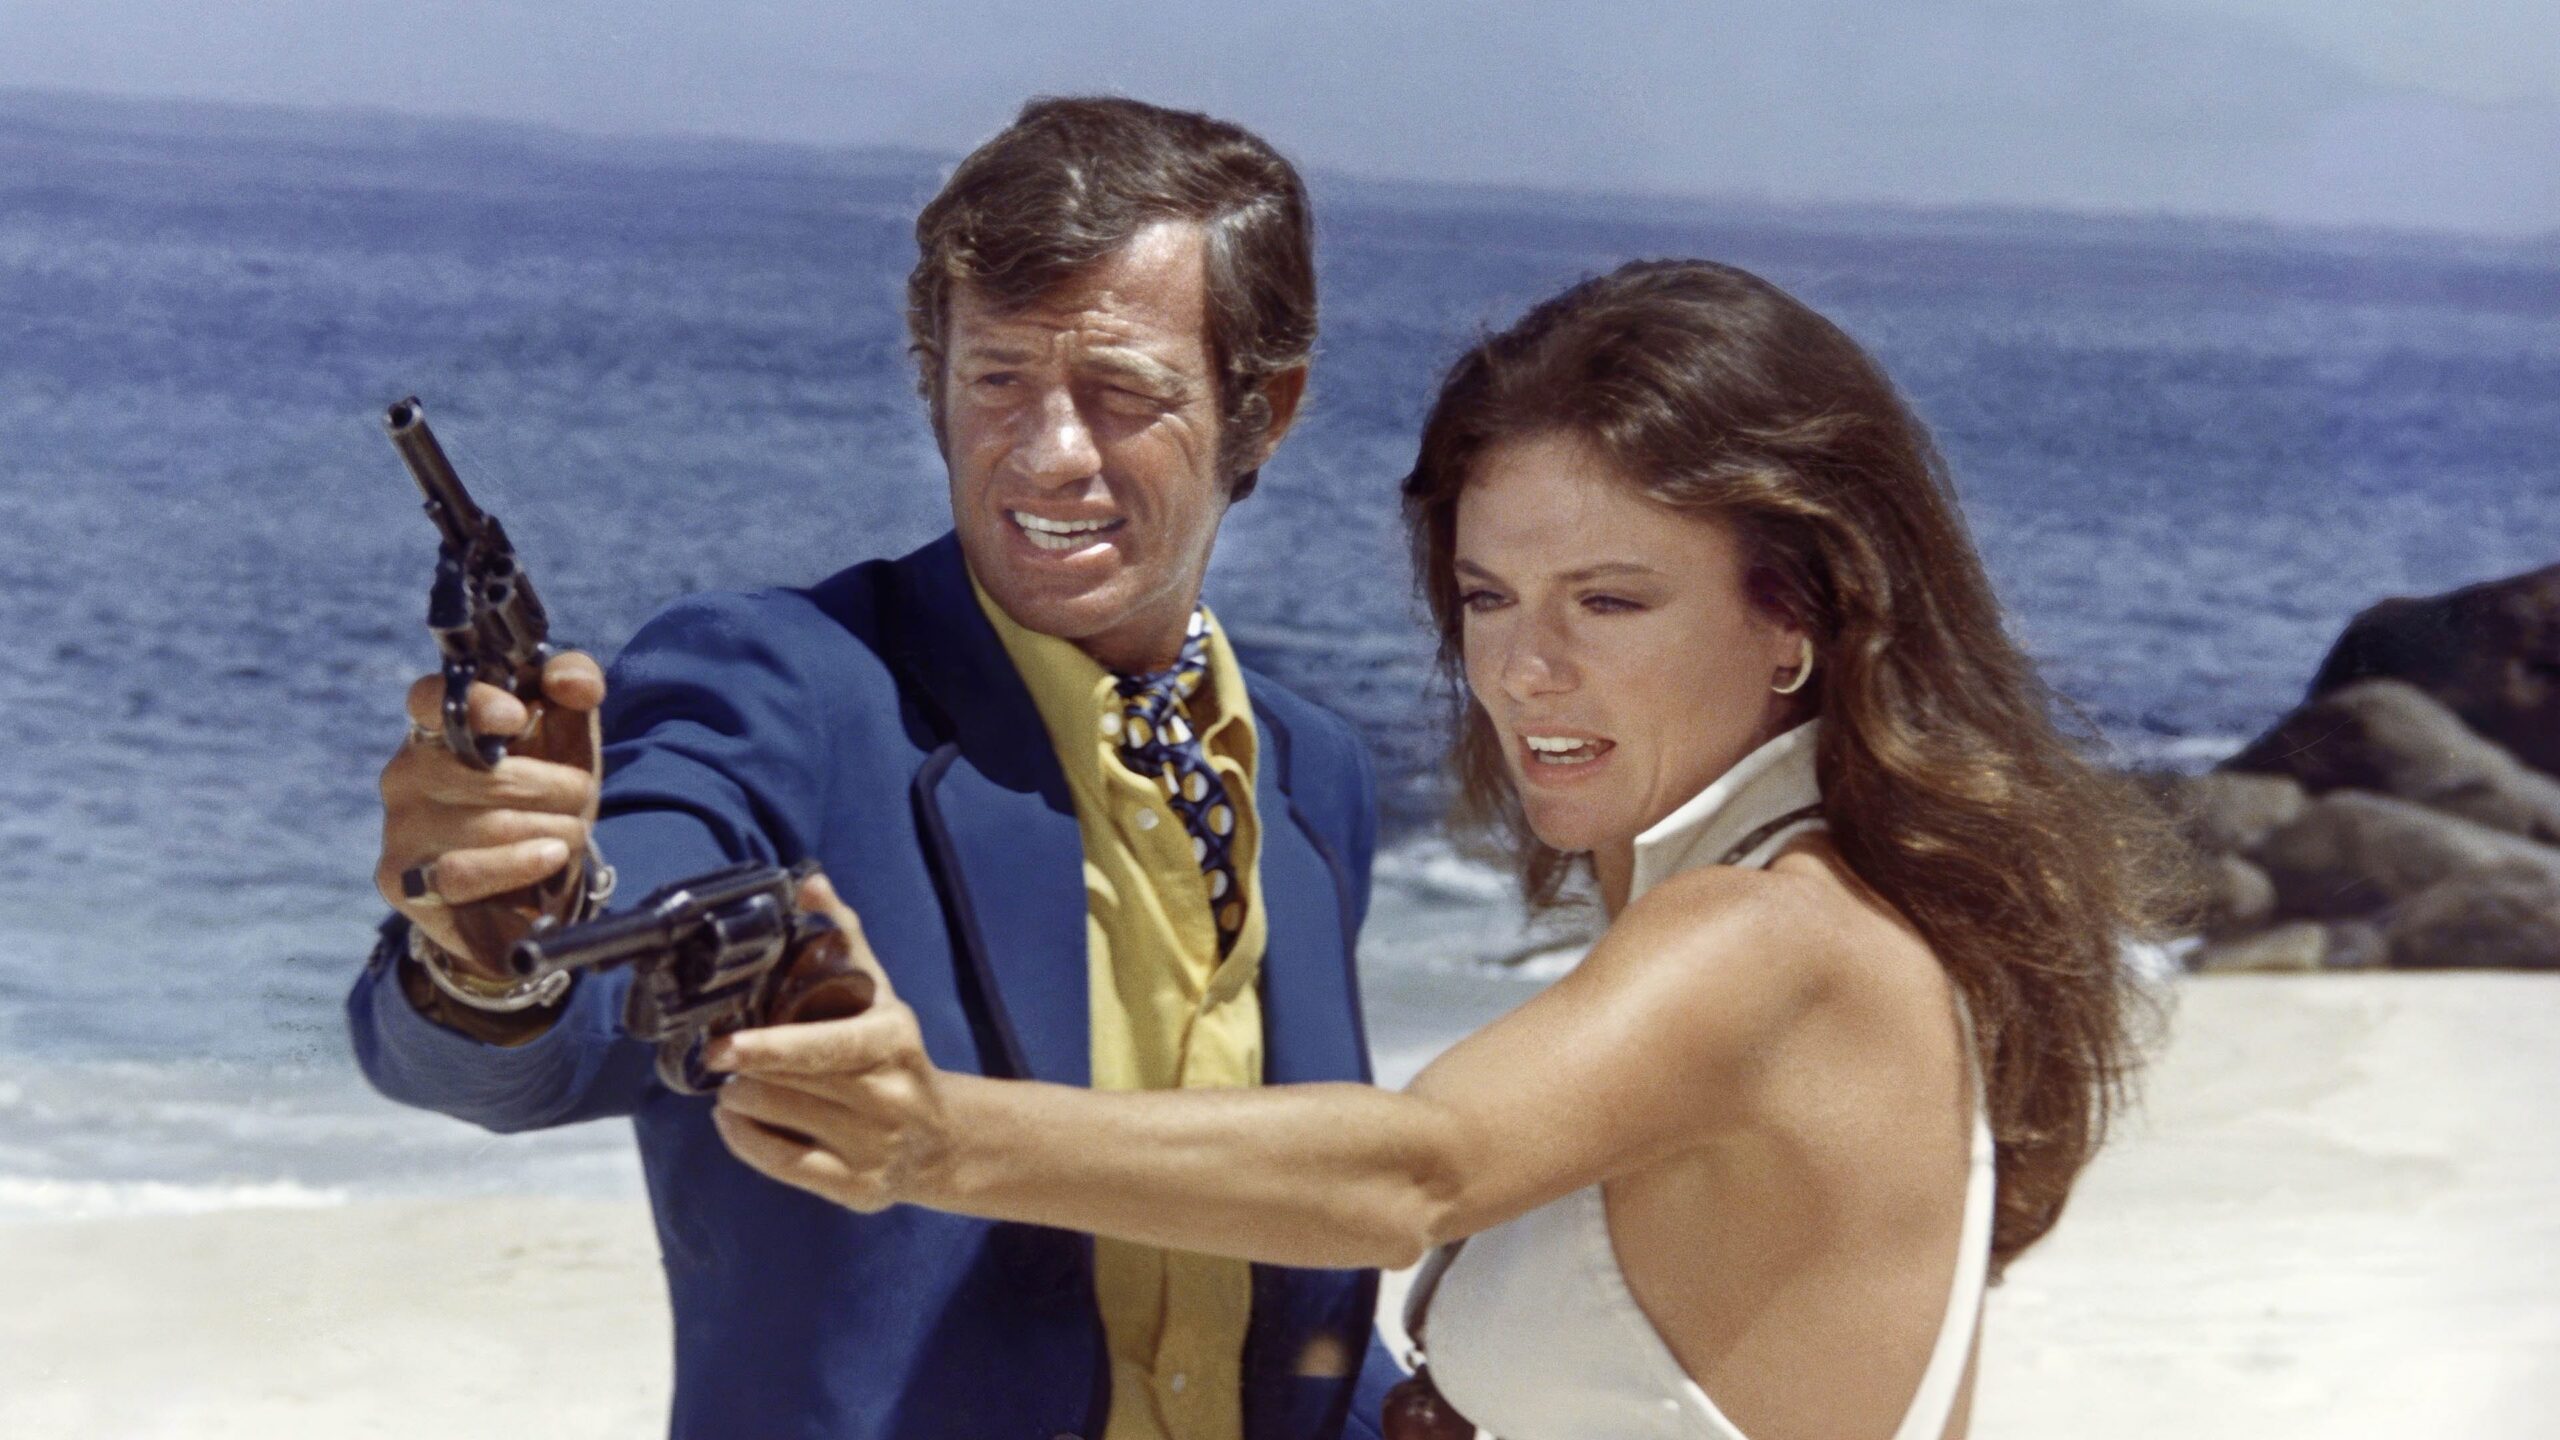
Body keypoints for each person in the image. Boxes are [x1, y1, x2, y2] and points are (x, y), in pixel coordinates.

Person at [701, 259, 2197, 1440]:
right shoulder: (1840, 919)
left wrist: (937, 1139)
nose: (1526, 670)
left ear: (1797, 617)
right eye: (1489, 598)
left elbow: (1422, 1166)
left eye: (1610, 602)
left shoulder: (1769, 937)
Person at [350, 96, 1405, 1440]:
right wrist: (495, 940)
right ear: (933, 379)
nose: (1047, 454)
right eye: (997, 379)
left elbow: (1266, 1272)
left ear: (1267, 409)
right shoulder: (781, 689)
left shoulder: (1312, 777)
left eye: (1123, 393)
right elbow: (552, 1032)